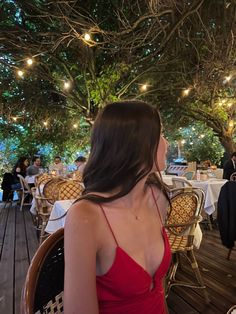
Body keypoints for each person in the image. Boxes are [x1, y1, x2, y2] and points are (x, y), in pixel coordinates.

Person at [64, 100, 171, 314]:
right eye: (160, 134)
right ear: (136, 142)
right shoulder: (85, 216)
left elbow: (159, 290)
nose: (166, 143)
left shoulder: (157, 197)